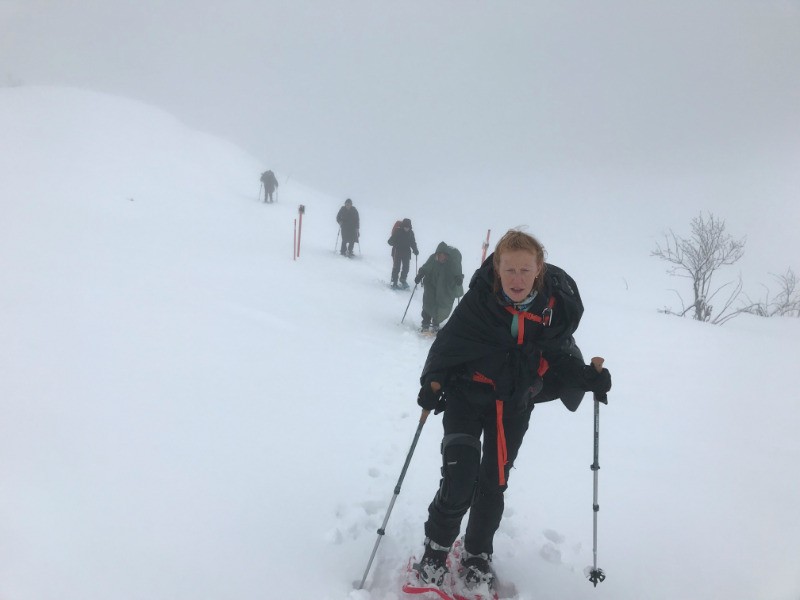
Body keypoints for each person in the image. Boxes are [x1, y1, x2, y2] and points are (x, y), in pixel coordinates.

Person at [407, 229, 612, 595]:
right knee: (459, 478)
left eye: (525, 270)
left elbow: (559, 356)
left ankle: (476, 555)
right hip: (467, 396)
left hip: (513, 405)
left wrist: (587, 378)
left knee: (493, 482)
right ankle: (436, 551)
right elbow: (448, 345)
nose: (517, 279)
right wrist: (433, 381)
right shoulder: (479, 302)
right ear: (497, 269)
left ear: (539, 269)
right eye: (509, 270)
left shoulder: (550, 311)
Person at [414, 242, 464, 332]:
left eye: (444, 255)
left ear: (447, 255)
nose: (442, 257)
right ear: (437, 254)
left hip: (444, 288)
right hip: (431, 285)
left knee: (441, 306)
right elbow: (425, 267)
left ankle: (436, 323)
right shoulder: (432, 259)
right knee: (428, 304)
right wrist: (420, 274)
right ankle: (425, 323)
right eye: (440, 255)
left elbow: (457, 271)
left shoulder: (451, 263)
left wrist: (458, 278)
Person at [388, 218, 419, 289]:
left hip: (406, 252)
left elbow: (413, 242)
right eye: (405, 227)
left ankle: (403, 279)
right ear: (403, 226)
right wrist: (394, 243)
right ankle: (394, 281)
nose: (406, 228)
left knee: (406, 267)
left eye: (408, 227)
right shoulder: (398, 231)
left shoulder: (411, 233)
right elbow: (390, 241)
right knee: (396, 267)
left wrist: (415, 250)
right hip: (397, 251)